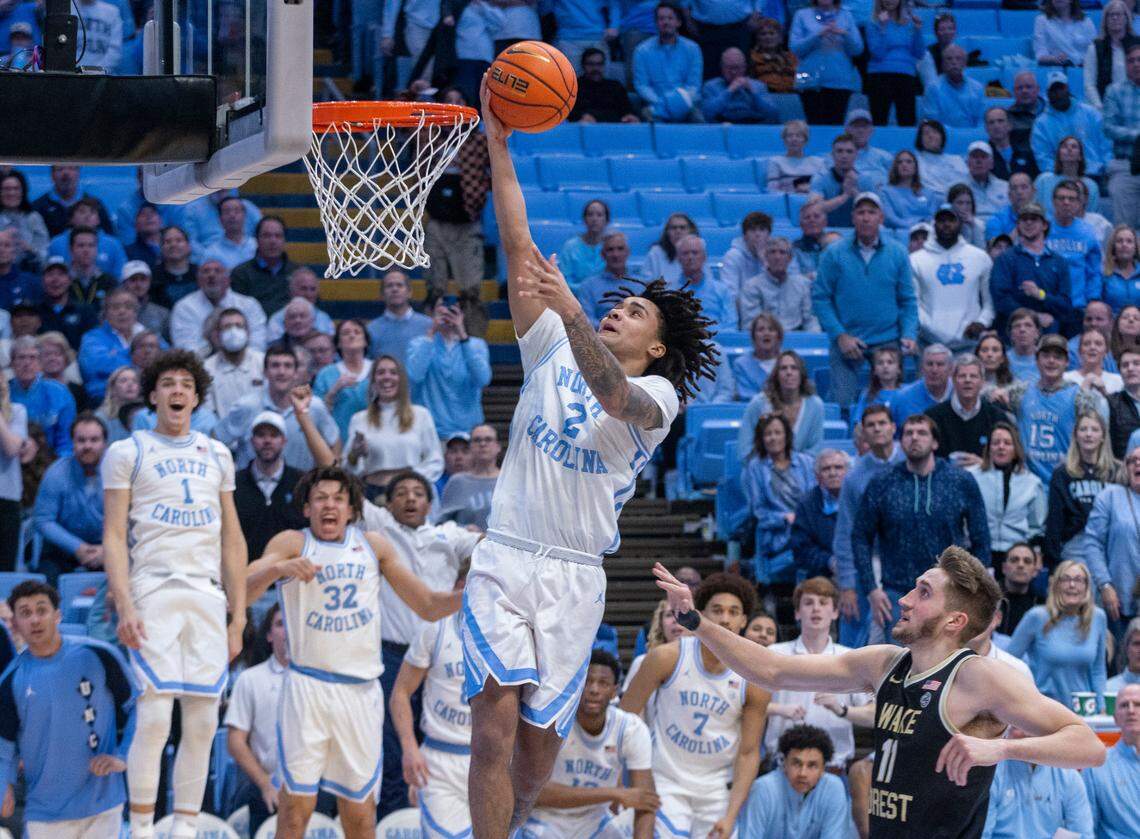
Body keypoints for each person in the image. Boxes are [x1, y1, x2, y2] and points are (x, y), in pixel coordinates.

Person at [469, 75, 717, 839]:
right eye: (613, 303)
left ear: (658, 345)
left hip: (577, 575)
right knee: (493, 724)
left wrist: (575, 306)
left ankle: (518, 819)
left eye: (632, 311)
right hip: (507, 553)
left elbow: (616, 399)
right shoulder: (549, 349)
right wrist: (498, 143)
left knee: (538, 752)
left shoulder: (661, 403)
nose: (616, 309)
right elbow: (518, 245)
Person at [655, 547, 1107, 837]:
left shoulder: (980, 677)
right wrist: (696, 623)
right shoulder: (885, 663)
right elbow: (772, 670)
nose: (906, 599)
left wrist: (1002, 750)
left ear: (954, 621)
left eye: (923, 592)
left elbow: (1088, 746)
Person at [244, 465, 462, 838]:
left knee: (360, 813)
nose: (330, 506)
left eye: (338, 499)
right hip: (307, 689)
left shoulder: (373, 546)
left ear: (352, 509)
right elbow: (243, 590)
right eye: (321, 499)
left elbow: (427, 604)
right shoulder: (292, 543)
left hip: (360, 692)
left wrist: (475, 596)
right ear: (307, 508)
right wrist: (278, 568)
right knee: (296, 808)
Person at [101, 349, 247, 839]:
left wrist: (239, 618)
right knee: (155, 716)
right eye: (168, 383)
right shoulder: (128, 451)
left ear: (198, 396)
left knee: (204, 721)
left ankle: (184, 827)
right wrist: (124, 603)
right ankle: (141, 828)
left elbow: (233, 539)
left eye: (186, 383)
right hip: (154, 589)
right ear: (152, 395)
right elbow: (115, 537)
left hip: (206, 595)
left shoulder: (217, 453)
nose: (177, 390)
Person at [358, 470, 481, 818]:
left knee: (433, 737)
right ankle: (393, 818)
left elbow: (494, 547)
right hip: (391, 653)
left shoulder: (449, 535)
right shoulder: (380, 529)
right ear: (388, 503)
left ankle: (434, 807)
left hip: (442, 652)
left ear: (430, 503)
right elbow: (338, 480)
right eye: (401, 493)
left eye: (418, 493)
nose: (410, 498)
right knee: (391, 745)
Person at [620, 573, 768, 839]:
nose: (725, 618)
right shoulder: (667, 657)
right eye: (717, 610)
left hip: (715, 790)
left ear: (744, 620)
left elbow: (748, 753)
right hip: (665, 781)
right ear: (702, 614)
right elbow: (624, 719)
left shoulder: (754, 678)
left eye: (733, 612)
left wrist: (732, 814)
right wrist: (629, 783)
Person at [0, 580, 137, 838]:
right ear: (16, 625)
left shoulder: (98, 654)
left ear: (58, 615)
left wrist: (123, 755)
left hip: (103, 804)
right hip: (45, 812)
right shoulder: (10, 680)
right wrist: (3, 785)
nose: (35, 620)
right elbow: (4, 744)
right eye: (25, 613)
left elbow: (138, 707)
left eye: (42, 610)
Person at [853, 414, 992, 636]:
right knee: (900, 665)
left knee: (945, 665)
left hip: (949, 592)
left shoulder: (961, 481)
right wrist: (871, 588)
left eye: (922, 433)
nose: (914, 438)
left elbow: (982, 538)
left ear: (935, 442)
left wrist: (972, 590)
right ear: (901, 441)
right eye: (908, 433)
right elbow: (860, 537)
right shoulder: (882, 483)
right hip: (896, 594)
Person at [520, 650, 658, 839]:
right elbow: (534, 793)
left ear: (614, 691)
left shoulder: (630, 728)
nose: (594, 689)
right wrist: (613, 793)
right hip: (547, 820)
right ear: (577, 685)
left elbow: (645, 800)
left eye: (603, 683)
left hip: (595, 822)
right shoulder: (553, 723)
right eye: (587, 681)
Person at [811, 192, 918, 409]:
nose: (866, 217)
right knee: (843, 403)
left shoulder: (898, 253)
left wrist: (909, 333)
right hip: (847, 341)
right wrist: (840, 336)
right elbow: (821, 298)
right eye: (861, 212)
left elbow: (908, 300)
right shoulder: (833, 254)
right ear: (853, 217)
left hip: (888, 339)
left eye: (871, 212)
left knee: (894, 403)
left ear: (881, 217)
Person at [389, 576, 475, 839]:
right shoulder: (435, 630)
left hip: (491, 759)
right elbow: (400, 694)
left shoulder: (508, 633)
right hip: (440, 760)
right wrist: (409, 748)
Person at [763, 577, 871, 769]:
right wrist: (778, 709)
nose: (816, 608)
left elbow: (875, 715)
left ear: (836, 612)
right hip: (781, 765)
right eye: (808, 602)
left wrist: (842, 710)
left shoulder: (851, 658)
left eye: (823, 603)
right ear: (797, 612)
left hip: (834, 767)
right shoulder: (775, 653)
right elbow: (745, 704)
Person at [223, 605, 304, 836]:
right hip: (268, 791)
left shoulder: (321, 681)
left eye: (293, 624)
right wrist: (265, 784)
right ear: (269, 635)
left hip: (314, 789)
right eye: (280, 624)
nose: (287, 631)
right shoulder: (250, 679)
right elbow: (235, 742)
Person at [834, 404, 903, 648]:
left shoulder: (913, 461)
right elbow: (845, 533)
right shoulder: (854, 477)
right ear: (863, 433)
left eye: (882, 423)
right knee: (863, 631)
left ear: (893, 427)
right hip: (871, 559)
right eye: (871, 425)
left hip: (910, 558)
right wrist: (847, 585)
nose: (877, 429)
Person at [998, 333, 1109, 482]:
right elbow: (987, 396)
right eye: (1046, 356)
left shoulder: (1081, 397)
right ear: (1037, 360)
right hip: (1027, 481)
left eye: (1058, 357)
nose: (1051, 361)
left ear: (1067, 362)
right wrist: (993, 392)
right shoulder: (1020, 392)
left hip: (1066, 480)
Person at [215, 345, 342, 472]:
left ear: (296, 373)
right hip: (252, 487)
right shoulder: (247, 406)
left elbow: (334, 441)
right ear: (265, 372)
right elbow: (216, 440)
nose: (281, 372)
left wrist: (331, 479)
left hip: (301, 487)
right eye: (275, 365)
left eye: (287, 366)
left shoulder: (314, 407)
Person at [1006, 560, 1108, 709]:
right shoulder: (1037, 616)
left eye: (1078, 580)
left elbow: (1098, 670)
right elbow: (1008, 662)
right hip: (1044, 710)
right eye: (1065, 579)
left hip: (1084, 712)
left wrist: (1102, 707)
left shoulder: (1098, 617)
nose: (1072, 585)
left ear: (1087, 586)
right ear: (1056, 585)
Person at [345, 356, 442, 496]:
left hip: (408, 494)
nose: (387, 377)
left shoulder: (421, 415)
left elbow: (435, 460)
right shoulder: (359, 419)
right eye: (380, 373)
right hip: (372, 493)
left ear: (402, 380)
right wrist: (355, 455)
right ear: (372, 381)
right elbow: (349, 469)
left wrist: (411, 483)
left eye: (393, 372)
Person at [31, 411, 107, 584]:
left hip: (108, 545)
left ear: (104, 443)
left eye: (94, 440)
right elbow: (43, 520)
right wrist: (77, 547)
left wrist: (107, 549)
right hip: (63, 548)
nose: (87, 446)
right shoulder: (56, 473)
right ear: (72, 443)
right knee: (44, 581)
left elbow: (130, 518)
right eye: (81, 440)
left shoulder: (118, 472)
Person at [741, 413, 816, 584]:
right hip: (776, 532)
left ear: (787, 435)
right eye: (768, 434)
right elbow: (758, 511)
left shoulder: (806, 462)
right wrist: (784, 518)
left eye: (778, 432)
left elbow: (814, 500)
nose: (773, 438)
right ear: (761, 439)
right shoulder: (755, 467)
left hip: (807, 526)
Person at [982, 725, 1095, 839]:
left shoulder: (1068, 777)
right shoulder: (992, 775)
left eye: (1036, 726)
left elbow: (1083, 834)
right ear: (1006, 729)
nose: (1028, 734)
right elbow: (983, 834)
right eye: (1018, 725)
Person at [231, 407, 311, 567]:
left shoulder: (301, 483)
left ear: (284, 441)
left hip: (291, 579)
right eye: (261, 435)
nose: (267, 441)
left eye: (274, 435)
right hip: (247, 577)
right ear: (252, 440)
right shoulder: (234, 484)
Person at [739, 725, 851, 839]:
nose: (803, 773)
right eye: (796, 763)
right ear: (784, 763)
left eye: (812, 765)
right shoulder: (763, 789)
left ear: (823, 769)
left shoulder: (833, 788)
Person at [406, 296, 493, 440]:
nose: (447, 312)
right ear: (433, 313)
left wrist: (463, 335)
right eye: (442, 307)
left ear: (462, 315)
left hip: (468, 431)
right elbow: (414, 376)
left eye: (453, 309)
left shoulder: (476, 345)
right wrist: (431, 332)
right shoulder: (419, 344)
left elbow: (483, 379)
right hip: (430, 432)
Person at [910, 204, 993, 351]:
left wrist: (981, 322)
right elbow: (913, 305)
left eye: (951, 220)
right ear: (934, 225)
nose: (946, 225)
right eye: (941, 221)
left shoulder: (980, 257)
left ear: (960, 224)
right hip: (930, 346)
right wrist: (934, 332)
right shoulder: (915, 260)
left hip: (969, 344)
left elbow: (989, 302)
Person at [1046, 411, 1120, 567]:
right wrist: (1053, 564)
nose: (1088, 434)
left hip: (1111, 543)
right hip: (1076, 543)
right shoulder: (1062, 473)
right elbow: (1055, 520)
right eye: (1083, 429)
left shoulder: (1117, 472)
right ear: (1075, 435)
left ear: (1103, 436)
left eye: (1094, 429)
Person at [990, 203, 1075, 338]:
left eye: (1034, 219)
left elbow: (1065, 305)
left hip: (1050, 337)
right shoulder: (1006, 259)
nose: (1028, 223)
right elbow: (1001, 299)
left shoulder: (1059, 262)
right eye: (1024, 219)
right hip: (1013, 336)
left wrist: (1041, 295)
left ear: (1045, 225)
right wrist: (1034, 317)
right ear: (1017, 226)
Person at [967, 422, 1047, 563]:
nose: (1001, 447)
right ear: (989, 448)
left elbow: (1037, 526)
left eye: (1007, 443)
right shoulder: (971, 477)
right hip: (978, 553)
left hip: (1016, 555)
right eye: (996, 443)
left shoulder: (1032, 483)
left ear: (1016, 449)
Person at [1084, 440, 1140, 641]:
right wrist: (1105, 585)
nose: (1138, 464)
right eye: (1133, 460)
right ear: (1125, 467)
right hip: (1117, 600)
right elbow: (1092, 543)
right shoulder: (1109, 497)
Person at [169, 259, 267, 357]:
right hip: (200, 367)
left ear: (228, 279)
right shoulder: (184, 307)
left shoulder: (249, 305)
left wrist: (236, 357)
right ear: (198, 280)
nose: (211, 275)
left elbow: (258, 345)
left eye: (218, 271)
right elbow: (186, 349)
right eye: (206, 271)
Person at [737, 351, 824, 458]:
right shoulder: (758, 403)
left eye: (794, 368)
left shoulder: (815, 405)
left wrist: (791, 467)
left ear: (801, 374)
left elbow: (815, 449)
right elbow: (745, 449)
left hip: (802, 471)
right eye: (783, 368)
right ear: (776, 375)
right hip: (762, 470)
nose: (789, 372)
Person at [924, 355, 1006, 466]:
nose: (968, 380)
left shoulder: (997, 417)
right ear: (953, 380)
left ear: (982, 382)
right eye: (962, 376)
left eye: (973, 376)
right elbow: (925, 459)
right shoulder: (933, 417)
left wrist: (984, 465)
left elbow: (1008, 459)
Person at [789, 0, 862, 125]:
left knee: (835, 128)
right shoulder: (802, 15)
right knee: (814, 127)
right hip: (809, 82)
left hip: (840, 82)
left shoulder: (846, 16)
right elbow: (795, 48)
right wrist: (817, 35)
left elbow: (857, 49)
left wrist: (844, 34)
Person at [1082, 682, 1140, 837]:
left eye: (1137, 704)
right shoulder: (1096, 765)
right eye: (1123, 705)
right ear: (1115, 718)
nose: (1131, 710)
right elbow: (1086, 828)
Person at [632, 3, 703, 122]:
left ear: (678, 23)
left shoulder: (693, 49)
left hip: (685, 104)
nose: (666, 22)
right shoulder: (642, 51)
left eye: (670, 18)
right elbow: (642, 86)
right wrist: (663, 104)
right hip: (655, 105)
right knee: (649, 116)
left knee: (697, 118)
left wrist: (677, 103)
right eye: (661, 19)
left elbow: (694, 85)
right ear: (656, 23)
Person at [8, 335, 76, 457]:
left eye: (32, 357)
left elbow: (66, 441)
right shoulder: (4, 393)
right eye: (21, 357)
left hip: (51, 460)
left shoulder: (60, 392)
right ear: (12, 363)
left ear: (40, 363)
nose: (26, 363)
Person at [1042, 180, 1102, 312]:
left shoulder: (1088, 232)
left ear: (1079, 203)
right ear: (1053, 201)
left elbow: (1094, 272)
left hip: (1078, 305)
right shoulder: (1042, 228)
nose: (1066, 202)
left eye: (1071, 199)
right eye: (1061, 198)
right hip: (1047, 304)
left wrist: (1092, 300)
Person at [789, 450, 848, 583]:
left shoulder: (860, 498)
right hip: (824, 575)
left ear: (848, 472)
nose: (833, 473)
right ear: (817, 476)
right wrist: (830, 562)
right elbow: (801, 549)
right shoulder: (806, 505)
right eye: (826, 469)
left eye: (838, 467)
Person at [864, 0, 924, 127]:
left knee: (907, 120)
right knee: (878, 120)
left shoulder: (910, 23)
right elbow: (878, 53)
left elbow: (919, 53)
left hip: (906, 75)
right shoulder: (873, 23)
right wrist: (883, 28)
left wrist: (918, 30)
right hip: (879, 75)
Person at [738, 238, 817, 333]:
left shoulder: (803, 284)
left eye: (782, 252)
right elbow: (750, 324)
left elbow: (810, 320)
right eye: (772, 252)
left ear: (790, 258)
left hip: (797, 339)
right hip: (763, 339)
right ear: (766, 256)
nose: (777, 257)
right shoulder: (752, 286)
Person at [313, 318, 372, 440]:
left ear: (366, 341)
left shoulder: (378, 370)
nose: (352, 335)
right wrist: (333, 392)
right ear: (338, 343)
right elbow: (315, 414)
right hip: (338, 442)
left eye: (357, 332)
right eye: (346, 333)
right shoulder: (326, 374)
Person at [229, 216, 300, 315]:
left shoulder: (298, 273)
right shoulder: (241, 274)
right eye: (267, 236)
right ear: (257, 240)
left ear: (284, 240)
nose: (272, 241)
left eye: (278, 236)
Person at [202, 308, 265, 418]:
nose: (233, 332)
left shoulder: (264, 362)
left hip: (262, 431)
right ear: (217, 335)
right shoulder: (206, 369)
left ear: (248, 332)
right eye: (227, 327)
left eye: (239, 326)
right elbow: (208, 412)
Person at [1103, 43, 1140, 229]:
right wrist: (1138, 136)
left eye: (1139, 59)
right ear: (1125, 65)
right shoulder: (1114, 91)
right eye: (1131, 60)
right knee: (1125, 230)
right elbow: (1108, 128)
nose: (1136, 64)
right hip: (1125, 165)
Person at [439, 423, 500, 529]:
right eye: (477, 440)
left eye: (488, 439)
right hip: (469, 544)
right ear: (470, 447)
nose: (482, 444)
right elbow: (441, 525)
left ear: (498, 446)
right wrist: (464, 531)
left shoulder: (510, 480)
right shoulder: (457, 482)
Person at [366, 272, 432, 369]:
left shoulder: (428, 326)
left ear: (409, 292)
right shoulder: (371, 330)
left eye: (399, 285)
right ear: (382, 295)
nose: (394, 289)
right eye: (389, 286)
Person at [809, 135, 876, 229]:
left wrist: (854, 192)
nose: (844, 156)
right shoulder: (820, 178)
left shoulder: (866, 180)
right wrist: (845, 196)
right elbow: (815, 210)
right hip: (827, 231)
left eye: (849, 151)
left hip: (859, 231)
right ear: (832, 154)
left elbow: (874, 211)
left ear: (856, 155)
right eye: (839, 151)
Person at [700, 46, 778, 124]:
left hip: (753, 127)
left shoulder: (758, 86)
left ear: (744, 67)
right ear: (722, 67)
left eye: (737, 67)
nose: (733, 72)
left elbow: (772, 114)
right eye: (729, 68)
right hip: (722, 128)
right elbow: (706, 114)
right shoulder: (710, 86)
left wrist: (754, 94)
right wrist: (729, 91)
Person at [30, 165, 112, 239]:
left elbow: (110, 235)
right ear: (52, 175)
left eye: (71, 168)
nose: (66, 173)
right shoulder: (38, 207)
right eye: (60, 169)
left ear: (78, 173)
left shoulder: (96, 205)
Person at [672, 235, 733, 327]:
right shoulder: (670, 291)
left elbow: (731, 325)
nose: (690, 257)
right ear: (678, 258)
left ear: (704, 256)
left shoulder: (722, 290)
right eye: (685, 253)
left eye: (695, 252)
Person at [920, 44, 985, 129]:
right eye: (949, 59)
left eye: (958, 59)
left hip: (971, 137)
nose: (954, 62)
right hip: (942, 137)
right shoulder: (932, 88)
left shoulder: (977, 88)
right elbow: (932, 122)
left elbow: (981, 122)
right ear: (943, 64)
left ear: (965, 63)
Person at [889, 344, 953, 429]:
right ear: (922, 368)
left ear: (950, 369)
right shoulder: (902, 398)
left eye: (940, 364)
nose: (934, 370)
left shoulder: (961, 393)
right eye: (930, 364)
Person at [1036, 135, 1103, 216]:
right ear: (1059, 155)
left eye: (1074, 147)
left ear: (1080, 156)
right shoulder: (1044, 180)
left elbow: (1093, 215)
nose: (1069, 149)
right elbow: (1033, 208)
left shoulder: (1091, 186)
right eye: (1064, 147)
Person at [1085, 0, 1135, 108]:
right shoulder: (1094, 48)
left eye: (1118, 14)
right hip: (1105, 106)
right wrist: (1100, 107)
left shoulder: (1137, 46)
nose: (1115, 18)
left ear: (1126, 18)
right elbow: (1089, 84)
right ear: (1105, 20)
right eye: (1111, 15)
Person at [568, 48, 639, 123]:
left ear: (604, 65)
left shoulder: (615, 86)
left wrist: (630, 116)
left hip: (614, 128)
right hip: (585, 128)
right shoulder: (575, 87)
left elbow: (627, 110)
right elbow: (570, 112)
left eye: (599, 64)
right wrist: (581, 117)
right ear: (583, 65)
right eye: (591, 64)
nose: (595, 68)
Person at [266, 268, 334, 343]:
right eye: (303, 289)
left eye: (313, 289)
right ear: (291, 291)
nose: (309, 294)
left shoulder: (324, 318)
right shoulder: (276, 319)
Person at [880, 150, 940, 231]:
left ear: (915, 167)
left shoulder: (929, 193)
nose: (904, 164)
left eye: (909, 162)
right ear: (895, 167)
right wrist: (916, 225)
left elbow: (932, 217)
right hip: (898, 234)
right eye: (899, 162)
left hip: (926, 233)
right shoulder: (885, 192)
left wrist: (922, 227)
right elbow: (890, 219)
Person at [0, 171, 49, 267]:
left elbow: (44, 253)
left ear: (23, 191)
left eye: (16, 189)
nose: (11, 193)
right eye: (6, 189)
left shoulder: (34, 218)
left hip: (29, 272)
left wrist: (29, 249)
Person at [997, 542, 1046, 637]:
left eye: (1027, 561)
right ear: (1004, 568)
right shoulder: (989, 599)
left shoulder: (1042, 603)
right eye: (1014, 560)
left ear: (1035, 571)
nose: (1020, 565)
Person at [557, 199, 608, 290]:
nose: (594, 219)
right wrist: (587, 290)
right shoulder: (570, 247)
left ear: (606, 220)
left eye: (599, 215)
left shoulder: (612, 248)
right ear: (584, 219)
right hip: (574, 298)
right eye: (590, 214)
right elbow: (564, 281)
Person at [720, 211, 772, 299]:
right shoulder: (732, 256)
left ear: (768, 235)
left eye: (762, 229)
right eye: (752, 230)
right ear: (744, 235)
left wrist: (764, 261)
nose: (757, 234)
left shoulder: (777, 255)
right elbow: (730, 294)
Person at [732, 313, 782, 401]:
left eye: (771, 329)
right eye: (761, 329)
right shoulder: (741, 364)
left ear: (779, 336)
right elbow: (746, 397)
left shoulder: (789, 362)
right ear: (753, 336)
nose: (766, 333)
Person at [913, 118, 969, 196]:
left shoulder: (956, 159)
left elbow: (964, 183)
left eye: (935, 132)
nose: (931, 136)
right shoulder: (913, 161)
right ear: (920, 139)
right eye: (926, 133)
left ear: (942, 137)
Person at [766, 121, 825, 193]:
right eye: (790, 136)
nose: (794, 139)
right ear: (784, 140)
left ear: (805, 140)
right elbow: (772, 191)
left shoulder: (819, 162)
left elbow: (825, 189)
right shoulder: (775, 162)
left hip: (815, 201)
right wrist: (796, 191)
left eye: (798, 136)